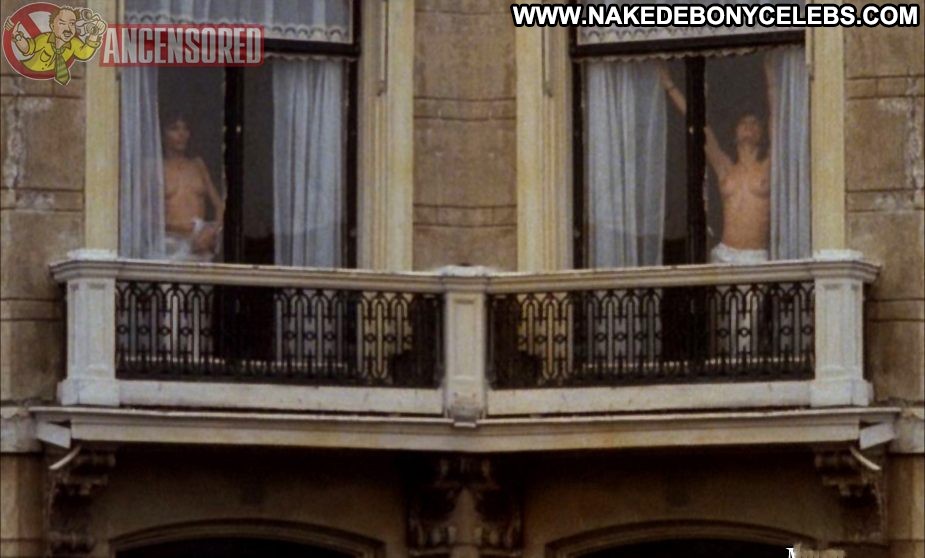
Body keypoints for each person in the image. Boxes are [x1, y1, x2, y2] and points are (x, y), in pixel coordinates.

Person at [658, 58, 777, 264]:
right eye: (744, 123)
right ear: (735, 132)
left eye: (754, 123)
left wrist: (771, 77)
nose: (749, 126)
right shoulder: (725, 167)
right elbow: (698, 123)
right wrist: (669, 86)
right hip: (724, 253)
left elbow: (777, 119)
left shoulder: (767, 165)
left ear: (761, 132)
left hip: (756, 256)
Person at [161, 112, 224, 262]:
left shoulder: (197, 165)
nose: (181, 134)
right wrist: (179, 227)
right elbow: (144, 216)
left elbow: (219, 206)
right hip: (170, 243)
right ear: (163, 134)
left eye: (185, 129)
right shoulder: (155, 167)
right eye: (174, 129)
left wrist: (213, 230)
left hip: (201, 243)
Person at [5, 6, 105, 85]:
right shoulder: (44, 39)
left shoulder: (74, 43)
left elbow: (84, 53)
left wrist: (94, 34)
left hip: (50, 81)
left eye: (72, 24)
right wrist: (17, 35)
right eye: (62, 23)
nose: (68, 29)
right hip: (27, 74)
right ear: (52, 27)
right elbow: (27, 48)